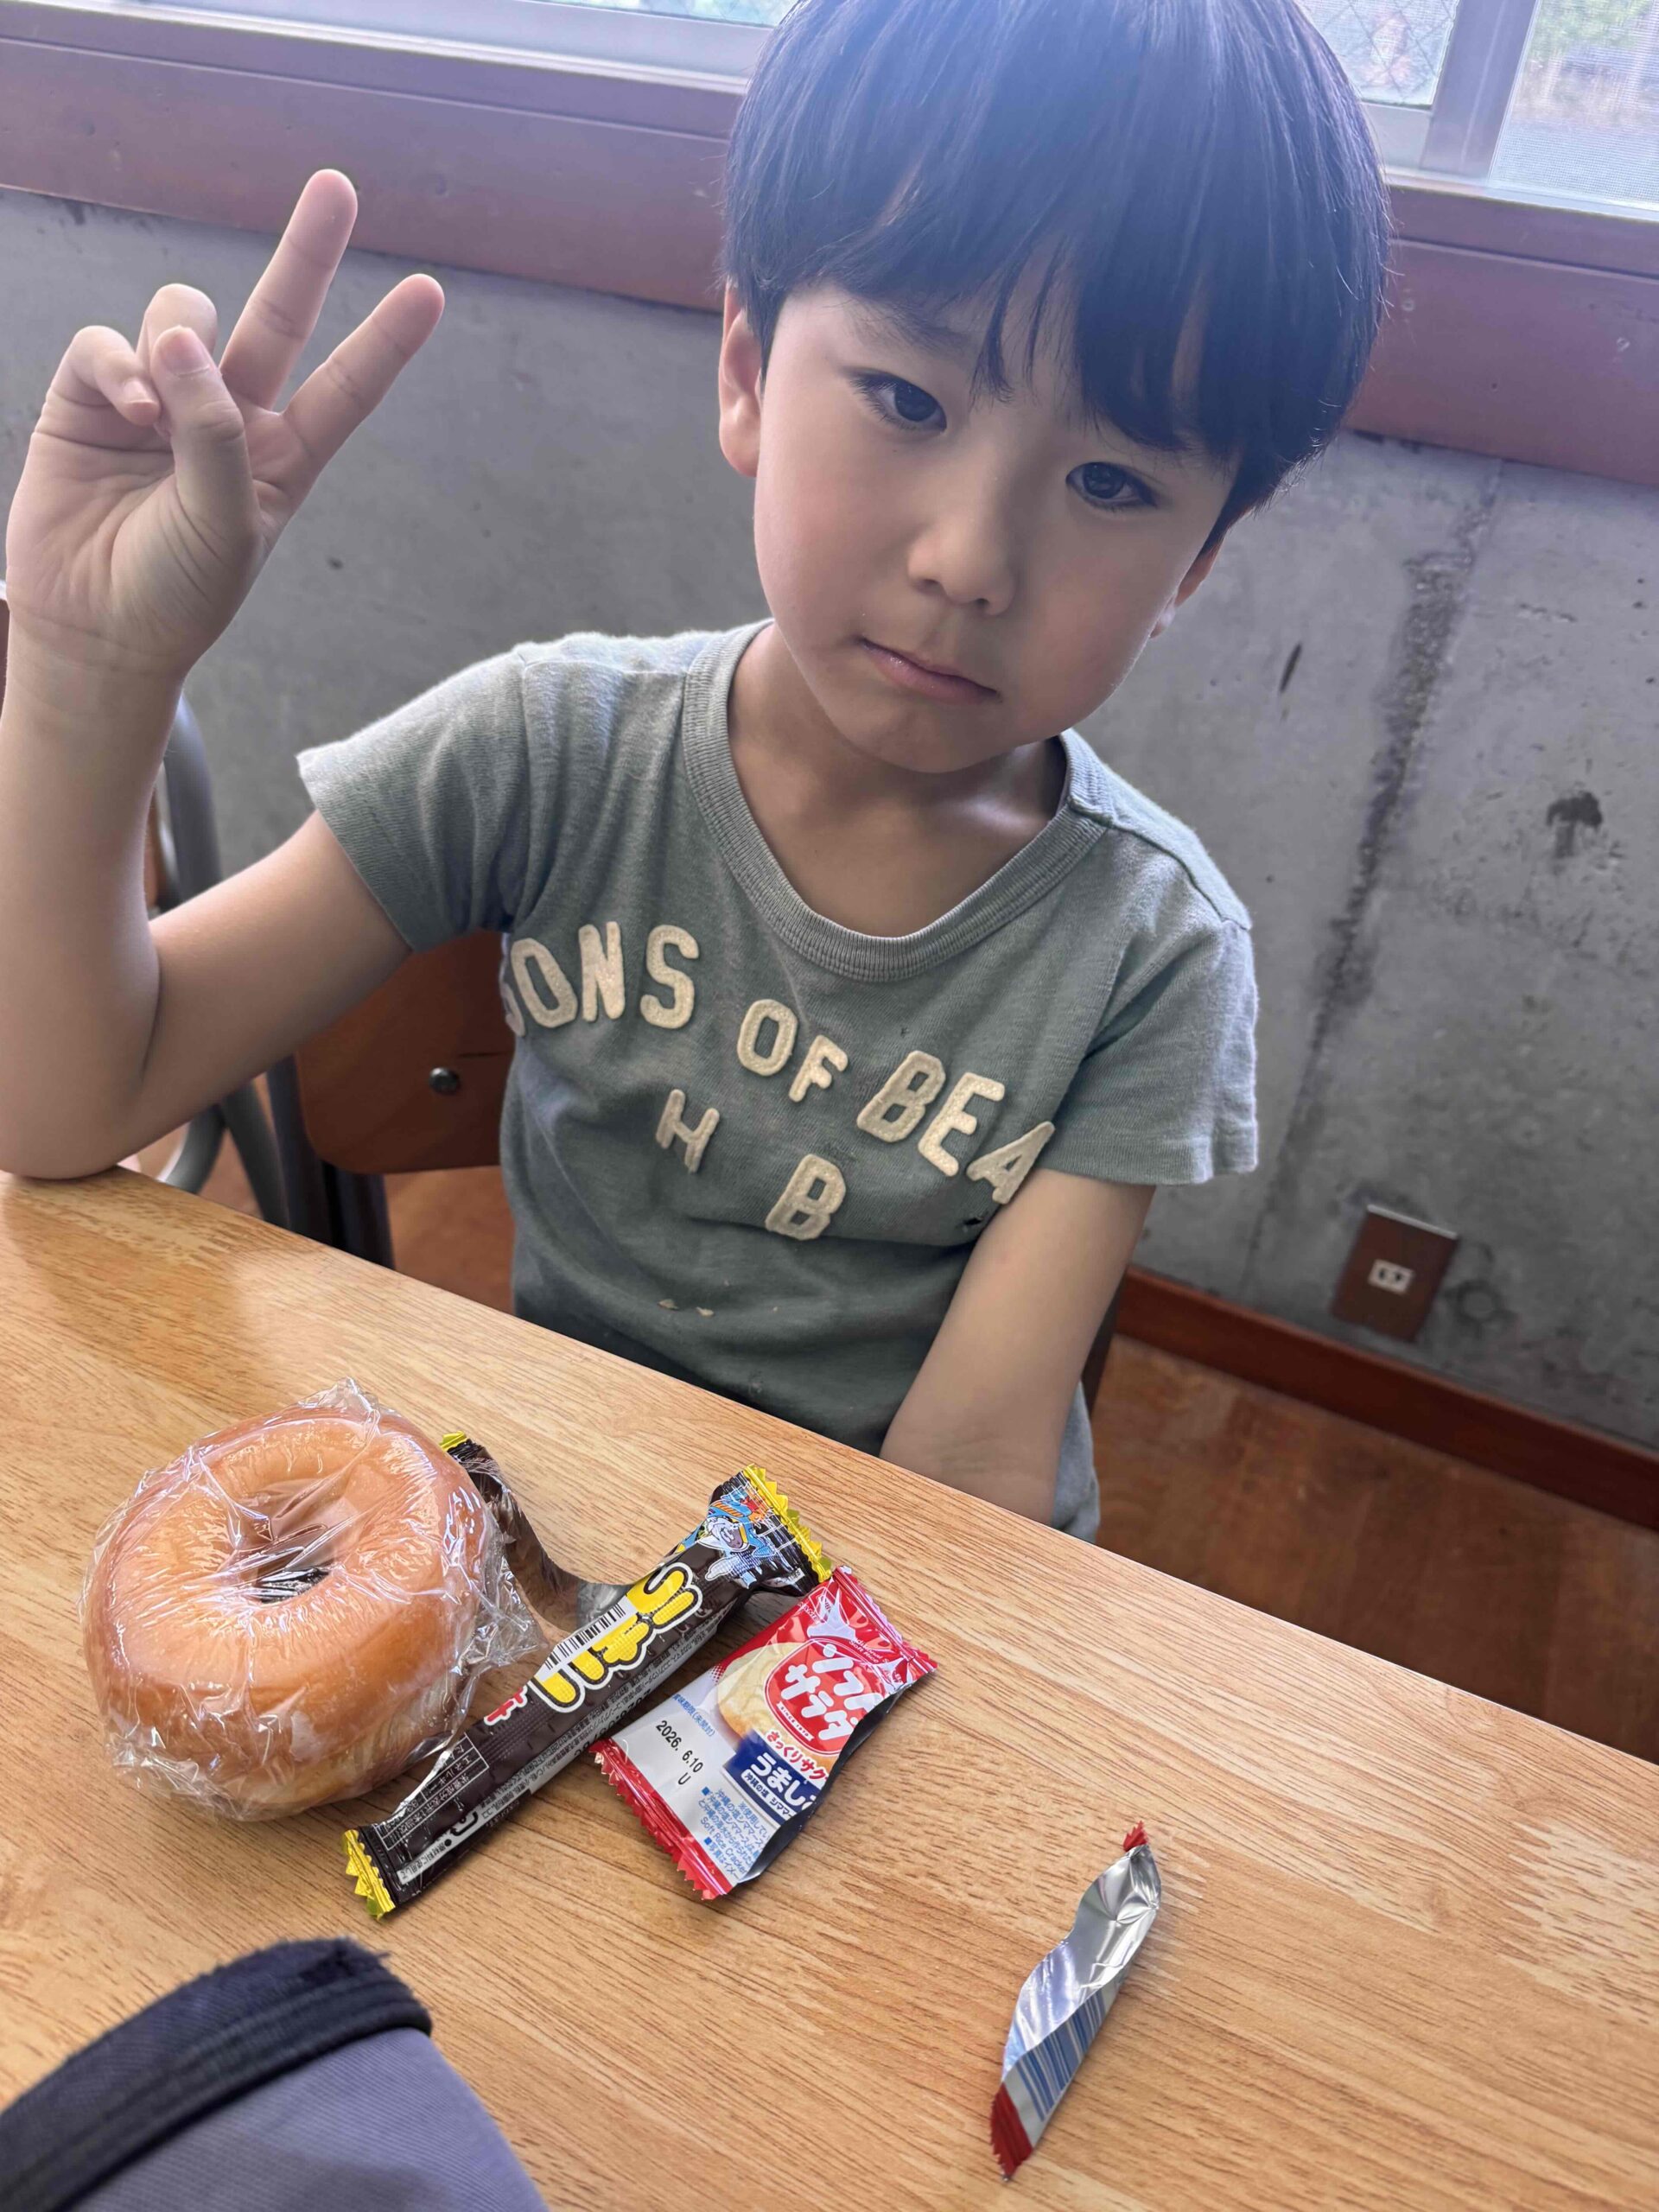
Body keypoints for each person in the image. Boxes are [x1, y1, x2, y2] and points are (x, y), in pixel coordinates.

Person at [0, 0, 1389, 1541]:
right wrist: (90, 667)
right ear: (746, 369)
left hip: (881, 1590)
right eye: (910, 399)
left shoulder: (1153, 956)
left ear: (1196, 561)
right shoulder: (545, 753)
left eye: (1113, 481)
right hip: (571, 1522)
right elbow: (60, 1106)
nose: (971, 559)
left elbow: (970, 1474)